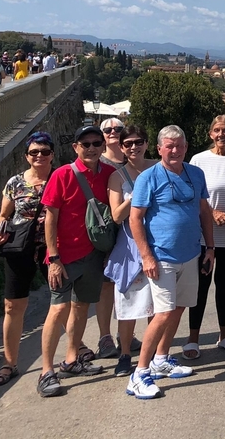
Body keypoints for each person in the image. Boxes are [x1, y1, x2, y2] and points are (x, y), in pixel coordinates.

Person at [126, 125, 214, 399]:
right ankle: (139, 374)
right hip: (160, 257)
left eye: (179, 145)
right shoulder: (148, 178)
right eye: (169, 145)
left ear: (186, 148)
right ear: (160, 148)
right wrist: (146, 255)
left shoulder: (196, 174)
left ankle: (161, 358)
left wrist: (209, 247)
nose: (174, 150)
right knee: (162, 313)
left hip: (190, 254)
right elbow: (135, 218)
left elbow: (204, 212)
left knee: (179, 308)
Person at [36, 125, 112, 398]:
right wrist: (53, 257)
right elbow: (51, 218)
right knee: (57, 311)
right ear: (76, 148)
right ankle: (46, 372)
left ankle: (71, 359)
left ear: (103, 146)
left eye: (96, 143)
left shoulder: (110, 175)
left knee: (80, 307)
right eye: (85, 143)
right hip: (63, 257)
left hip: (91, 255)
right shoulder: (62, 175)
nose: (91, 148)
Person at [0, 132, 54, 387]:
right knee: (13, 306)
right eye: (34, 152)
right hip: (19, 247)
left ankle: (75, 350)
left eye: (44, 151)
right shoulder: (15, 182)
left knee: (63, 302)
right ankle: (9, 363)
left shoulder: (61, 178)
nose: (39, 156)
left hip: (52, 248)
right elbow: (4, 214)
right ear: (26, 156)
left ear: (52, 155)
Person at [185, 115, 225, 358]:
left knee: (224, 284)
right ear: (210, 134)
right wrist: (212, 213)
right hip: (203, 236)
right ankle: (193, 338)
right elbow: (192, 195)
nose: (221, 135)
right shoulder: (199, 160)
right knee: (200, 286)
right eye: (217, 130)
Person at [105, 125, 155, 378]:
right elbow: (116, 216)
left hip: (159, 244)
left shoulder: (158, 167)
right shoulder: (118, 176)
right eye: (128, 144)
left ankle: (154, 353)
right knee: (128, 306)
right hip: (131, 249)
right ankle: (125, 354)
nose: (134, 147)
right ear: (122, 148)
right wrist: (135, 196)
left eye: (138, 142)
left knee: (158, 306)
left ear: (147, 143)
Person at [94, 116, 127, 360]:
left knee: (127, 284)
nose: (113, 131)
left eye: (118, 128)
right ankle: (105, 337)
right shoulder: (99, 162)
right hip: (108, 230)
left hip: (131, 232)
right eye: (108, 129)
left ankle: (124, 334)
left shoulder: (133, 159)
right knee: (106, 286)